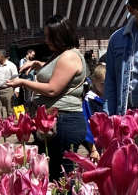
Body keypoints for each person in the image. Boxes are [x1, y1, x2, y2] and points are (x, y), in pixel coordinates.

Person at [14, 14, 88, 179]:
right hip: (56, 120)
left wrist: (22, 83)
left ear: (60, 36)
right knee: (53, 171)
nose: (46, 40)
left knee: (60, 174)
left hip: (63, 120)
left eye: (50, 36)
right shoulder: (61, 54)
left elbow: (52, 89)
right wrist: (38, 64)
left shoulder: (69, 56)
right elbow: (58, 71)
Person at [0, 49, 18, 121]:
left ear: (3, 56)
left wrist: (17, 90)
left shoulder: (11, 65)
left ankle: (11, 126)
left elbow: (16, 78)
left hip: (8, 90)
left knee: (10, 110)